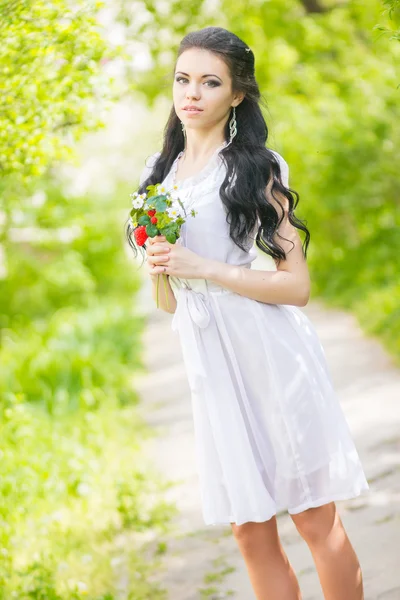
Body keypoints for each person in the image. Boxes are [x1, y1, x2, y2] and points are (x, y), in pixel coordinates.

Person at [130, 26, 369, 600]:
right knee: (248, 529)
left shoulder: (257, 167)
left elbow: (297, 286)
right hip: (210, 361)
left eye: (210, 82)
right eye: (183, 79)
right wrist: (161, 265)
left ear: (236, 94)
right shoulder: (156, 175)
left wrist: (205, 266)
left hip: (269, 351)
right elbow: (167, 296)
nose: (192, 92)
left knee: (315, 518)